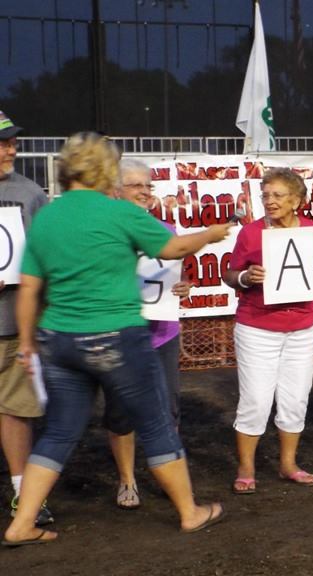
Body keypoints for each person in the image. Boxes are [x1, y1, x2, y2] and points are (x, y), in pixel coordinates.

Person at [5, 132, 231, 546]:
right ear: (104, 169)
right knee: (156, 423)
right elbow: (172, 248)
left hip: (58, 341)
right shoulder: (117, 211)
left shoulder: (48, 215)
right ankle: (190, 512)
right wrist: (210, 235)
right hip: (116, 336)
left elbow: (29, 286)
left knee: (58, 432)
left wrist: (26, 343)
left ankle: (21, 524)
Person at [223, 168, 313, 495]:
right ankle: (246, 468)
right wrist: (246, 278)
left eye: (277, 195)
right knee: (256, 400)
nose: (269, 201)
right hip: (257, 327)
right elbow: (230, 275)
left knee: (295, 399)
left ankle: (288, 464)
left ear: (297, 200)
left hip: (302, 327)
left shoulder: (311, 231)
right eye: (266, 195)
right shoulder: (251, 233)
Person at [105, 159, 193, 511]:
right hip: (119, 334)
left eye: (148, 185)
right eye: (136, 185)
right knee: (121, 411)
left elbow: (177, 277)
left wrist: (183, 287)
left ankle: (170, 478)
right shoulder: (104, 234)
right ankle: (127, 480)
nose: (144, 192)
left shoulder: (167, 230)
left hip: (162, 333)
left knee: (168, 409)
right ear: (116, 191)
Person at [0, 110, 51, 526]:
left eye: (12, 142)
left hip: (13, 326)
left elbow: (48, 255)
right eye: (2, 144)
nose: (11, 150)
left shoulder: (30, 193)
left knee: (15, 410)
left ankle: (23, 494)